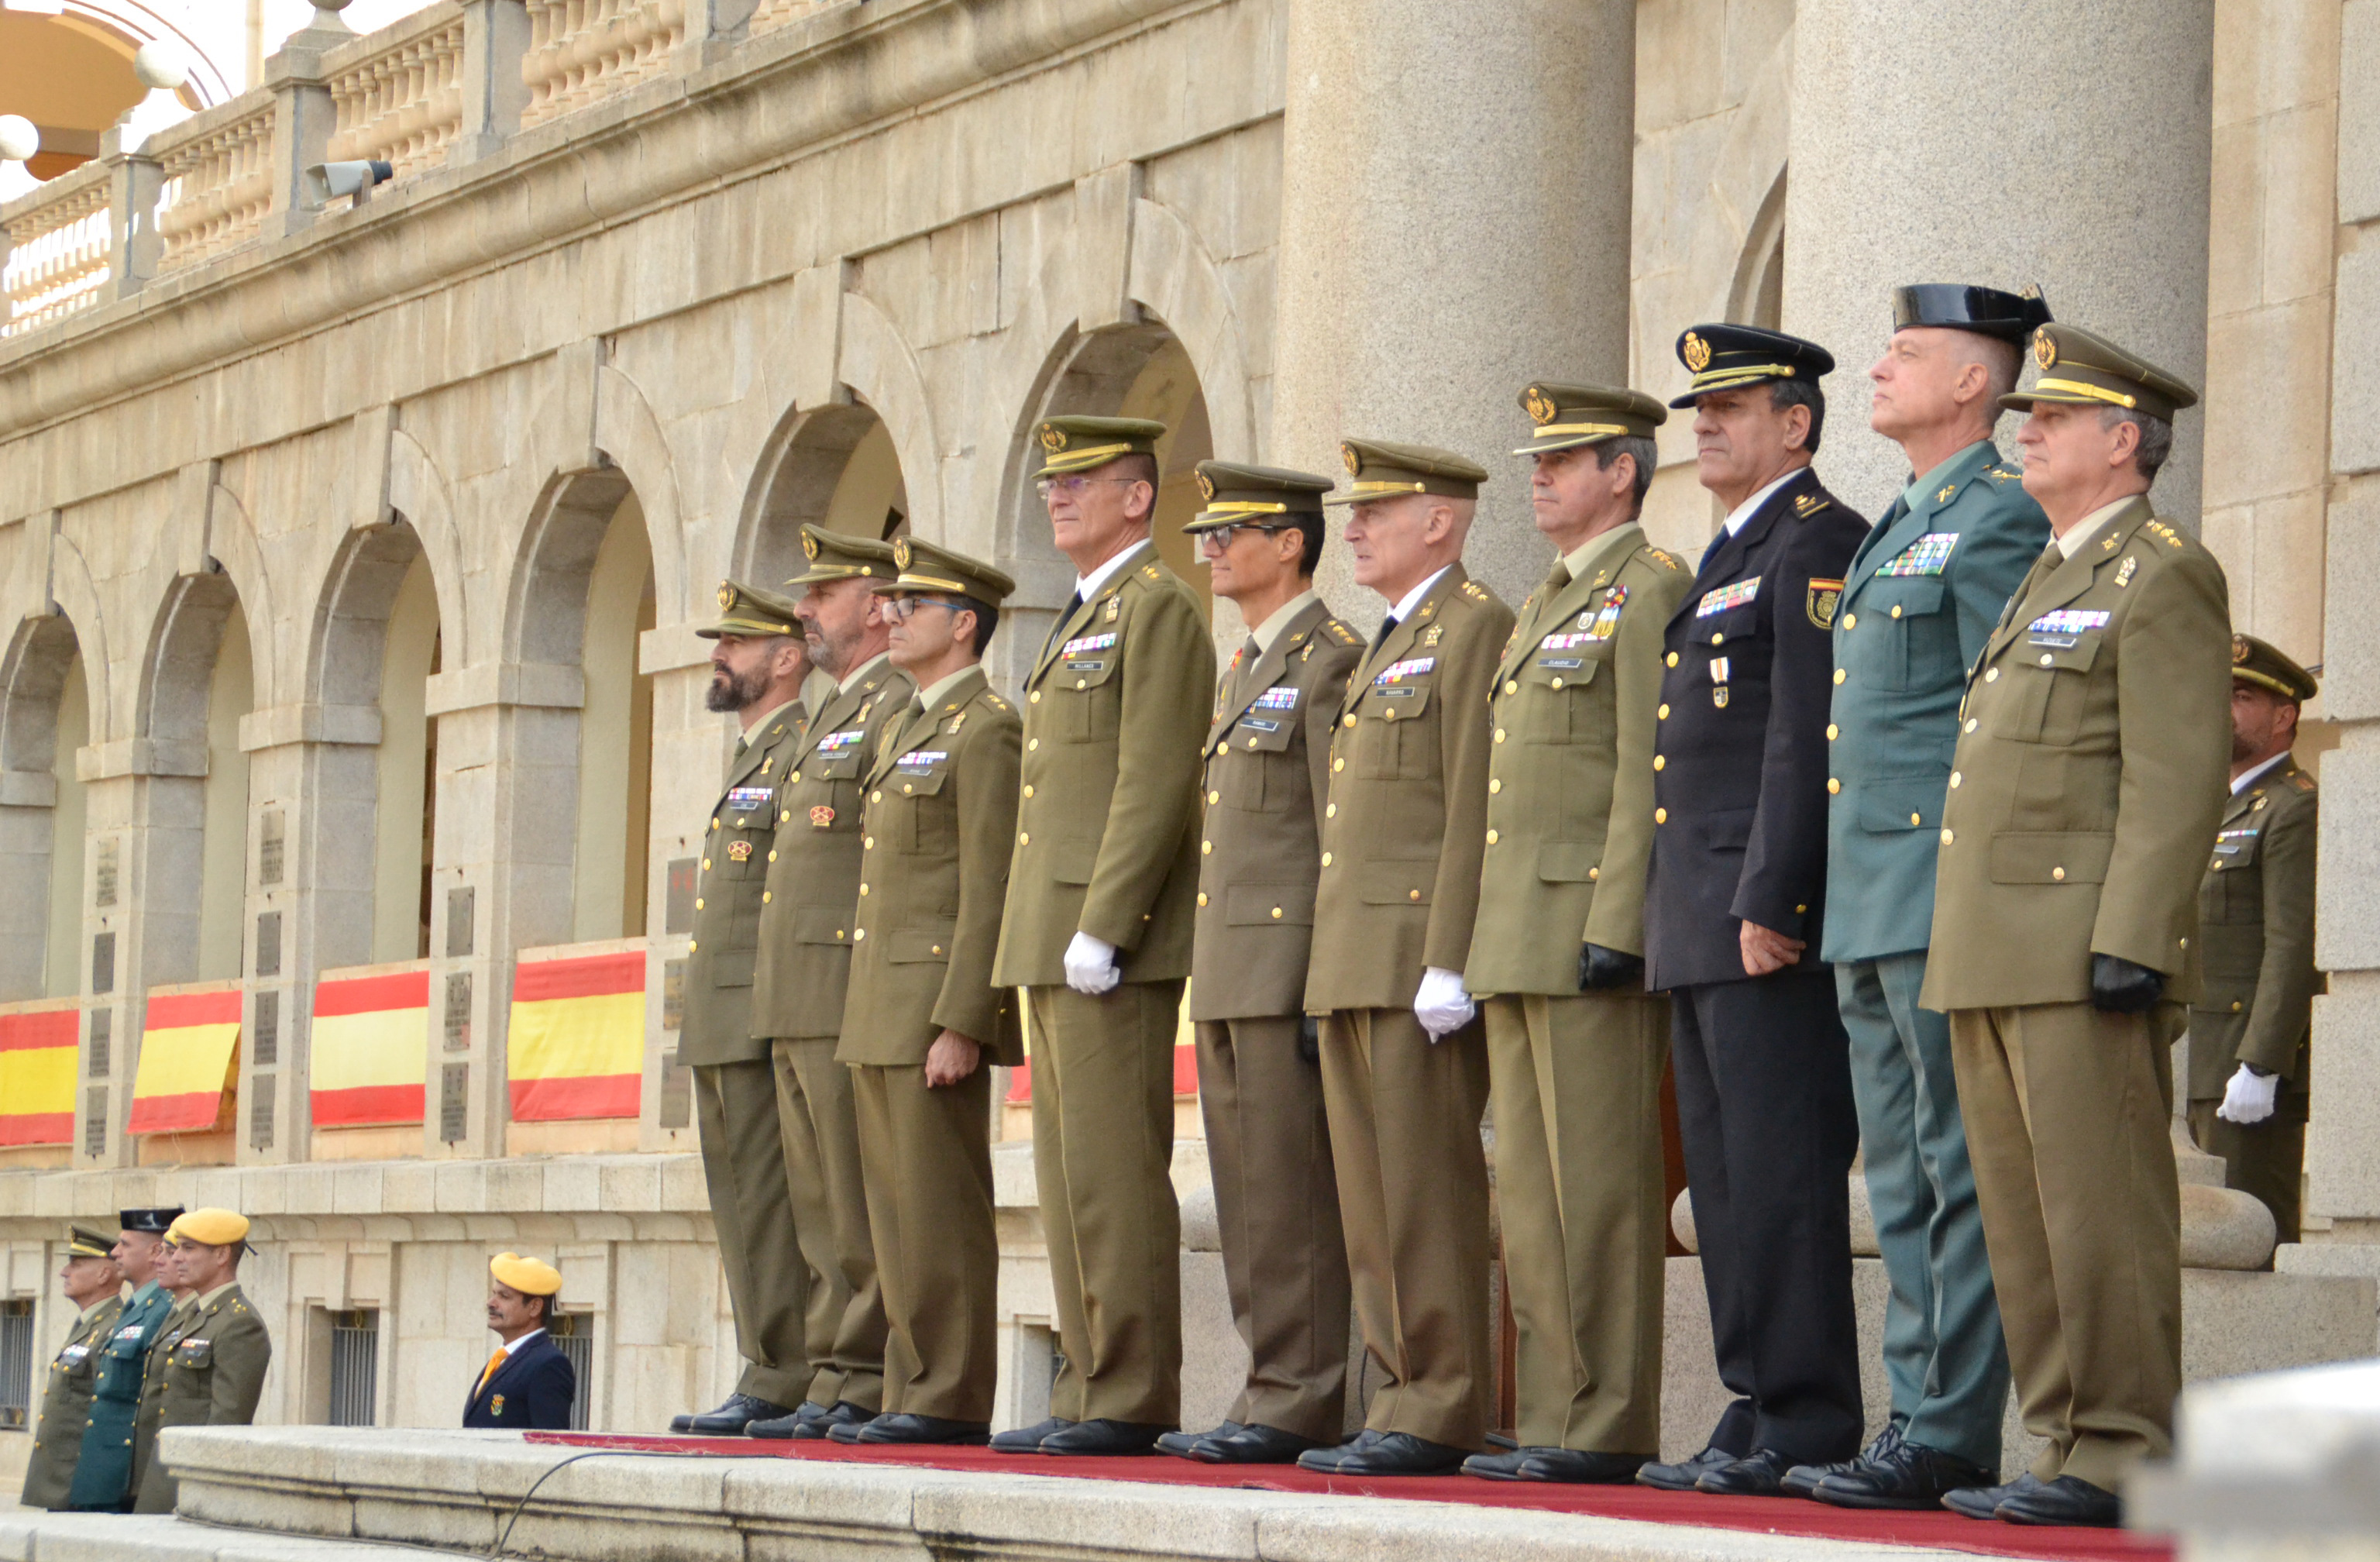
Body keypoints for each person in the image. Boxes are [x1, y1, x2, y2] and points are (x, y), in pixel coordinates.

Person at [1925, 322, 2228, 1528]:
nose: (2027, 430)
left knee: (2102, 1215)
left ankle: (2125, 1450)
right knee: (2027, 1219)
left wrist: (2136, 939)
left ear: (2123, 441)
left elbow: (2175, 773)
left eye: (2052, 417)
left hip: (2078, 951)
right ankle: (2060, 1443)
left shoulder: (2162, 571)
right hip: (1993, 950)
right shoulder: (2052, 571)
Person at [1790, 286, 2052, 1510]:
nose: (1880, 369)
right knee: (1897, 1177)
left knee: (1952, 1167)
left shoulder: (1993, 516)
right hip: (1869, 896)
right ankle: (1918, 1415)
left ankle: (1947, 1427)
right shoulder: (1902, 519)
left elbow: (2003, 720)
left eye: (1907, 354)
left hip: (1938, 894)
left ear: (1974, 386)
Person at [1637, 325, 1869, 1497]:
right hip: (1698, 913)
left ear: (1797, 424)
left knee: (1781, 1171)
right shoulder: (1725, 553)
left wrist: (1776, 896)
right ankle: (1755, 1394)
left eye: (1733, 407)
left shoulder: (1816, 541)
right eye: (1700, 409)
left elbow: (1804, 735)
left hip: (1758, 916)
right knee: (1723, 1179)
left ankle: (1810, 1409)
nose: (1706, 425)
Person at [1462, 384, 1688, 1485]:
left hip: (1588, 932)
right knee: (1533, 1195)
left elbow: (1651, 769)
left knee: (1599, 1189)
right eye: (1537, 460)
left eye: (1568, 459)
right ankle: (1552, 1407)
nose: (1540, 476)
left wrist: (1619, 920)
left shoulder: (1647, 592)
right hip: (1515, 932)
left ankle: (1607, 1420)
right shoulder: (1544, 600)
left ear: (1625, 473)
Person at [989, 416, 1212, 1457]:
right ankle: (1084, 1380)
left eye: (1082, 481)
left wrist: (1107, 923)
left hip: (1108, 945)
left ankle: (1128, 1390)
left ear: (1137, 497)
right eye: (1051, 483)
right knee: (1070, 1178)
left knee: (1118, 1175)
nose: (1057, 496)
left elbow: (1155, 777)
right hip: (1053, 937)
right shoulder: (1082, 616)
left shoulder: (1156, 609)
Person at [1298, 438, 1514, 1478]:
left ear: (1441, 521)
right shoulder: (1387, 640)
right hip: (1349, 956)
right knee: (1371, 1198)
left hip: (1410, 954)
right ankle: (1396, 1389)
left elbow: (1472, 794)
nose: (1356, 526)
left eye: (1379, 509)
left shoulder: (1472, 626)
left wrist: (1451, 953)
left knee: (1425, 1192)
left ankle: (1439, 1400)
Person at [1161, 461, 1362, 1466]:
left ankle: (1304, 1392)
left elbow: (1338, 832)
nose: (1211, 549)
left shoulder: (1327, 659)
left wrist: (1325, 978)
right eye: (1207, 532)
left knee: (1293, 1195)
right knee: (1246, 1195)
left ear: (1290, 543)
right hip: (1230, 965)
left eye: (1230, 531)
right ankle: (1264, 1379)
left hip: (1286, 967)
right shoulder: (1241, 668)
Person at [830, 538, 1025, 1447]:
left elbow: (987, 886)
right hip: (875, 1006)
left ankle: (946, 1396)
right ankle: (908, 1384)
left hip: (927, 1011)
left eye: (916, 604)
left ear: (964, 625)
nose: (895, 615)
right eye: (894, 602)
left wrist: (963, 1019)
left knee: (939, 1209)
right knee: (892, 1213)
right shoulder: (907, 725)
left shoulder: (986, 727)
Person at [748, 525, 910, 1440]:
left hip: (847, 985)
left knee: (855, 1200)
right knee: (817, 1206)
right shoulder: (827, 713)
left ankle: (864, 1373)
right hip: (796, 989)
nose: (804, 610)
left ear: (879, 603)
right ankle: (832, 1370)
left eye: (825, 591)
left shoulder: (891, 704)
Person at [672, 582, 814, 1436]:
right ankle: (766, 1364)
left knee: (770, 1199)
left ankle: (784, 1372)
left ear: (787, 658)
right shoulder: (752, 753)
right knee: (738, 1201)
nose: (719, 655)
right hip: (721, 1013)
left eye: (738, 643)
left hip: (761, 1011)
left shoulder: (799, 747)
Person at [2186, 635, 2322, 1242]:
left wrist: (2262, 1062)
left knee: (2248, 1241)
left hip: (2245, 1067)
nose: (2225, 709)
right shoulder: (2212, 805)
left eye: (2242, 696)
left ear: (2285, 716)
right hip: (2195, 1059)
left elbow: (2295, 944)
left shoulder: (2294, 808)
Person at [131, 1209, 270, 1515]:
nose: (176, 1257)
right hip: (155, 1476)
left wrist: (198, 1494)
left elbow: (227, 1422)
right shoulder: (191, 1314)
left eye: (188, 1248)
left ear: (221, 1255)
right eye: (178, 1248)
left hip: (187, 1485)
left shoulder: (239, 1324)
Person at [67, 1206, 181, 1511]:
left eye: (125, 1245)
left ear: (155, 1251)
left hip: (124, 1475)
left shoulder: (163, 1309)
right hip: (100, 1469)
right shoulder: (134, 1308)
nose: (114, 1252)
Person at [19, 1225, 124, 1510]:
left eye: (76, 1265)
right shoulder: (88, 1324)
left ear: (104, 1274)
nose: (65, 1272)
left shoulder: (113, 1327)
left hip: (80, 1481)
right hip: (61, 1480)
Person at [466, 1253, 576, 1430]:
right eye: (494, 1294)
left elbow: (548, 1442)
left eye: (504, 1296)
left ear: (534, 1307)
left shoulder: (549, 1365)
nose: (491, 1303)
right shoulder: (504, 1358)